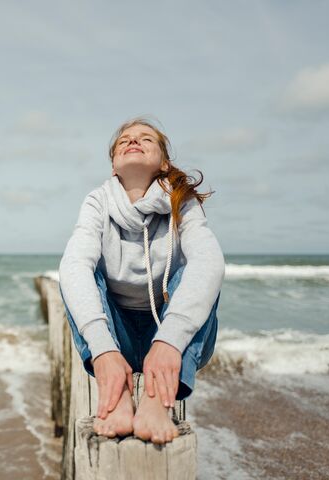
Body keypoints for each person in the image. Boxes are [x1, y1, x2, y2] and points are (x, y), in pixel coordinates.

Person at [58, 115, 225, 445]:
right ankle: (117, 395)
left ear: (164, 163)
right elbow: (74, 266)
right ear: (113, 166)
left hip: (172, 338)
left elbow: (210, 262)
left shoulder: (182, 201)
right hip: (115, 339)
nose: (133, 140)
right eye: (124, 140)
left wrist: (169, 340)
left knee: (196, 272)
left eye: (146, 138)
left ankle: (155, 401)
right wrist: (104, 351)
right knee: (77, 271)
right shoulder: (97, 201)